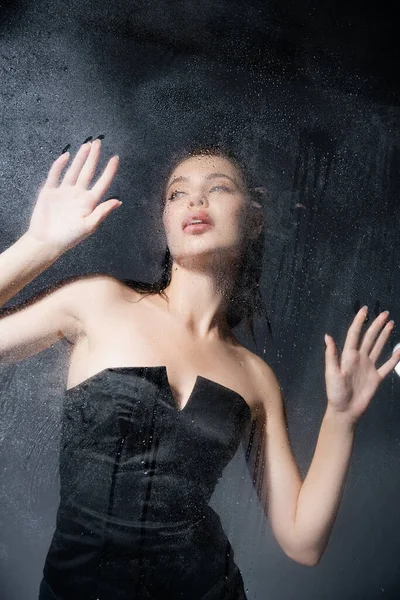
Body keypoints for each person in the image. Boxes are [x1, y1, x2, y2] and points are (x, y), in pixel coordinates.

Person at [0, 139, 398, 600]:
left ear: (253, 219)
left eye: (219, 187)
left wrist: (341, 419)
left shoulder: (255, 377)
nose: (195, 200)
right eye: (177, 193)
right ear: (166, 221)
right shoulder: (98, 303)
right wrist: (38, 246)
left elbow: (302, 541)